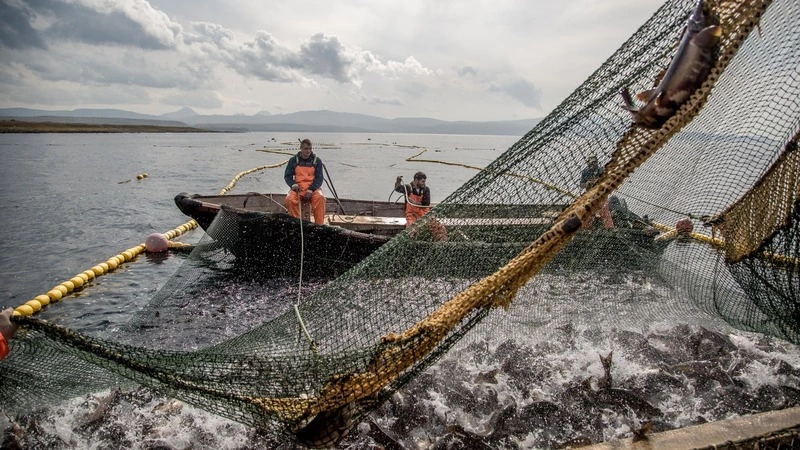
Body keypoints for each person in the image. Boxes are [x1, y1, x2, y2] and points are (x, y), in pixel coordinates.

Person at [284, 139, 326, 225]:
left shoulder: (317, 161)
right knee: (289, 200)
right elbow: (287, 176)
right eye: (306, 148)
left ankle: (319, 225)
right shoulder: (293, 160)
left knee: (320, 198)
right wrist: (292, 184)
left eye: (310, 148)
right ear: (301, 148)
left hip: (313, 188)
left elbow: (319, 178)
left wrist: (311, 189)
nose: (308, 151)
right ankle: (296, 224)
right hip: (298, 188)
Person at [579, 156, 614, 229]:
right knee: (588, 211)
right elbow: (581, 185)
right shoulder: (585, 172)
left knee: (604, 209)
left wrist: (598, 181)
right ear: (588, 164)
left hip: (601, 193)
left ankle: (609, 228)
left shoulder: (601, 170)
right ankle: (585, 228)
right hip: (590, 195)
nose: (592, 165)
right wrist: (587, 183)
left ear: (597, 163)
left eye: (594, 163)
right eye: (590, 163)